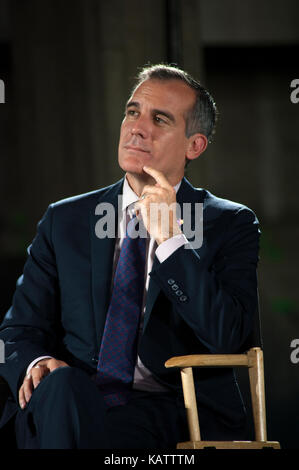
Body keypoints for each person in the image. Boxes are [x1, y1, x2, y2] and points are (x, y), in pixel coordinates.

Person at [0, 64, 260, 449]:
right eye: (133, 111)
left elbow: (229, 337)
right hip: (74, 400)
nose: (137, 127)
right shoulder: (65, 219)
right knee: (63, 388)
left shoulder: (228, 223)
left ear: (194, 145)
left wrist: (171, 239)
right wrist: (37, 364)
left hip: (172, 409)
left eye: (160, 119)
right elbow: (18, 331)